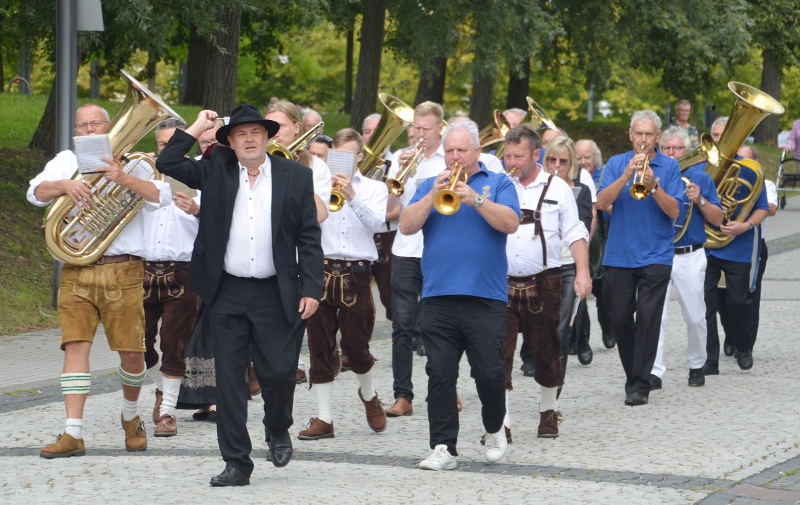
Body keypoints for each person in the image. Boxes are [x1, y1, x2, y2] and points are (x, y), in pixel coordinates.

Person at [156, 105, 324, 487]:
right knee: (229, 380)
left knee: (279, 372)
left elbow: (309, 237)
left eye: (256, 133)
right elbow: (167, 161)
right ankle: (236, 462)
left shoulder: (295, 176)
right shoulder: (215, 169)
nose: (249, 139)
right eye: (241, 134)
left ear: (267, 138)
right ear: (229, 142)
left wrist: (312, 288)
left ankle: (278, 427)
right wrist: (197, 126)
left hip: (277, 290)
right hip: (226, 290)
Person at [29, 103, 171, 457]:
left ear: (110, 127)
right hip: (77, 267)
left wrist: (123, 178)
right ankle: (72, 432)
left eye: (97, 124)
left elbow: (161, 196)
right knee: (75, 346)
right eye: (83, 125)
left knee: (131, 353)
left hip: (123, 269)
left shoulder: (136, 162)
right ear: (76, 132)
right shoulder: (65, 160)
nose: (90, 130)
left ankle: (131, 416)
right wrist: (65, 185)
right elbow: (34, 193)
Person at [399, 120, 520, 470]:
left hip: (485, 295)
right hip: (438, 294)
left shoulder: (498, 182)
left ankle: (495, 427)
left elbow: (511, 223)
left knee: (490, 373)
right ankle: (443, 447)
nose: (454, 157)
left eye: (461, 150)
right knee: (439, 374)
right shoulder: (429, 184)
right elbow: (406, 226)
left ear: (477, 151)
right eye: (449, 150)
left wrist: (476, 199)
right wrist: (431, 197)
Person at [298, 128, 389, 440]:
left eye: (347, 157)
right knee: (318, 346)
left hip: (357, 274)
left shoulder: (375, 188)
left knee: (356, 347)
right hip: (320, 270)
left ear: (360, 157)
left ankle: (369, 394)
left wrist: (351, 194)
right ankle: (324, 418)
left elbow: (379, 224)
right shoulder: (315, 184)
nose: (340, 163)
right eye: (334, 156)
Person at [501, 126, 589, 441]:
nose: (512, 161)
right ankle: (502, 420)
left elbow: (576, 232)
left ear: (536, 155)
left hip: (545, 281)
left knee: (547, 349)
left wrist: (582, 272)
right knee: (499, 352)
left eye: (518, 156)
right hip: (501, 282)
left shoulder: (557, 187)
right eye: (508, 155)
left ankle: (548, 411)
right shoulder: (499, 184)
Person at [597, 110, 682, 406]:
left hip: (656, 255)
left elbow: (674, 212)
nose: (643, 140)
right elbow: (601, 202)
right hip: (619, 255)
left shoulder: (670, 166)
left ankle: (639, 385)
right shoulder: (616, 163)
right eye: (638, 134)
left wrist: (654, 185)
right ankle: (634, 375)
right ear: (630, 135)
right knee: (619, 318)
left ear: (657, 137)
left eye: (649, 135)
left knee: (648, 319)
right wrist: (625, 176)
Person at [384, 101, 447, 417]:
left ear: (439, 128)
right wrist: (396, 173)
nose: (419, 135)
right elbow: (389, 206)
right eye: (415, 129)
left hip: (439, 248)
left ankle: (445, 388)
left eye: (425, 129)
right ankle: (402, 395)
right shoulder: (400, 157)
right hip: (406, 248)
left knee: (441, 324)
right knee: (402, 325)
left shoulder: (450, 158)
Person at [650, 127, 722, 390]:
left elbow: (718, 219)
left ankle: (696, 364)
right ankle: (654, 371)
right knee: (655, 316)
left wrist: (700, 199)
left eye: (677, 149)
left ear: (688, 151)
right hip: (658, 253)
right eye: (666, 148)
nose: (671, 153)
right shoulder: (651, 175)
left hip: (689, 254)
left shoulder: (700, 177)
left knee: (695, 316)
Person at [265, 100, 331, 384]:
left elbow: (319, 213)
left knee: (286, 346)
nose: (274, 133)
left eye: (279, 126)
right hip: (260, 261)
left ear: (296, 127)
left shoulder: (314, 166)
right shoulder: (257, 161)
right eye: (268, 127)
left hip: (293, 264)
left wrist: (293, 170)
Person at [144, 118, 202, 437]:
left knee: (173, 343)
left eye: (172, 144)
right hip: (143, 270)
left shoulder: (200, 178)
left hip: (182, 272)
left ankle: (168, 412)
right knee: (137, 343)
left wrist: (196, 208)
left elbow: (218, 224)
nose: (165, 151)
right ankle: (161, 388)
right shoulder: (144, 180)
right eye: (161, 145)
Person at [701, 116, 770, 375]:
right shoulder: (701, 166)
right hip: (706, 246)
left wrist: (746, 225)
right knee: (706, 306)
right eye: (717, 136)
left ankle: (743, 346)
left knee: (738, 302)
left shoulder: (750, 169)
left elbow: (762, 207)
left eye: (725, 135)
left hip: (737, 246)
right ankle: (710, 360)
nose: (720, 140)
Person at [735, 146, 777, 352]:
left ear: (756, 164)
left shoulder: (766, 184)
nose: (740, 166)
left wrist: (750, 201)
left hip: (754, 245)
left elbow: (772, 208)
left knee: (750, 294)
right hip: (728, 242)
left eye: (745, 162)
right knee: (726, 296)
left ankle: (747, 344)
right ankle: (731, 338)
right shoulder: (730, 182)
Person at [575, 139, 614, 350]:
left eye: (587, 157)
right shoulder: (571, 177)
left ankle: (608, 328)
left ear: (596, 158)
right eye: (578, 157)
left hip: (603, 240)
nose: (582, 161)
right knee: (580, 292)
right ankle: (582, 340)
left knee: (605, 293)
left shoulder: (605, 175)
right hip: (580, 240)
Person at [363, 112, 400, 323]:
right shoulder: (355, 163)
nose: (371, 137)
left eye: (376, 132)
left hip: (387, 235)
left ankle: (403, 337)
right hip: (361, 234)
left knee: (390, 295)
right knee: (357, 295)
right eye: (367, 132)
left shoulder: (397, 163)